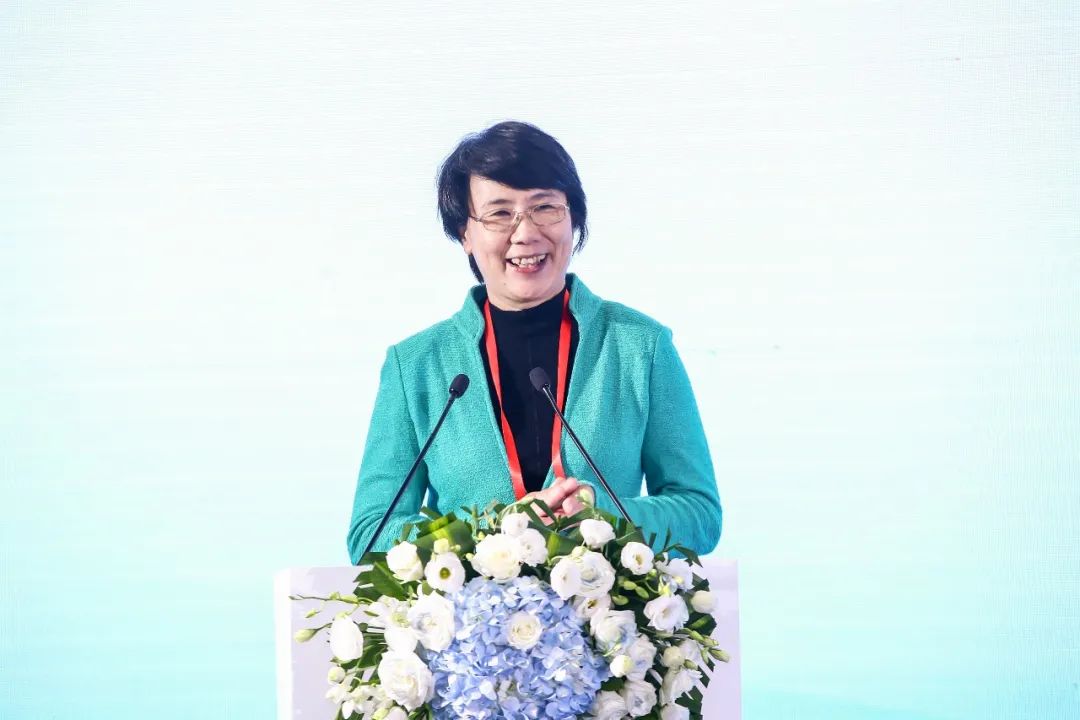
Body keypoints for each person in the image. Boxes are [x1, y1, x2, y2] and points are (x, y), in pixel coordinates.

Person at [347, 121, 721, 563]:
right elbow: (370, 535)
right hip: (466, 609)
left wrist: (605, 516)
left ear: (574, 218)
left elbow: (699, 514)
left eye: (545, 208)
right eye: (499, 214)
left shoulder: (641, 347)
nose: (525, 233)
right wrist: (496, 532)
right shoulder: (416, 365)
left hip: (604, 605)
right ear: (465, 233)